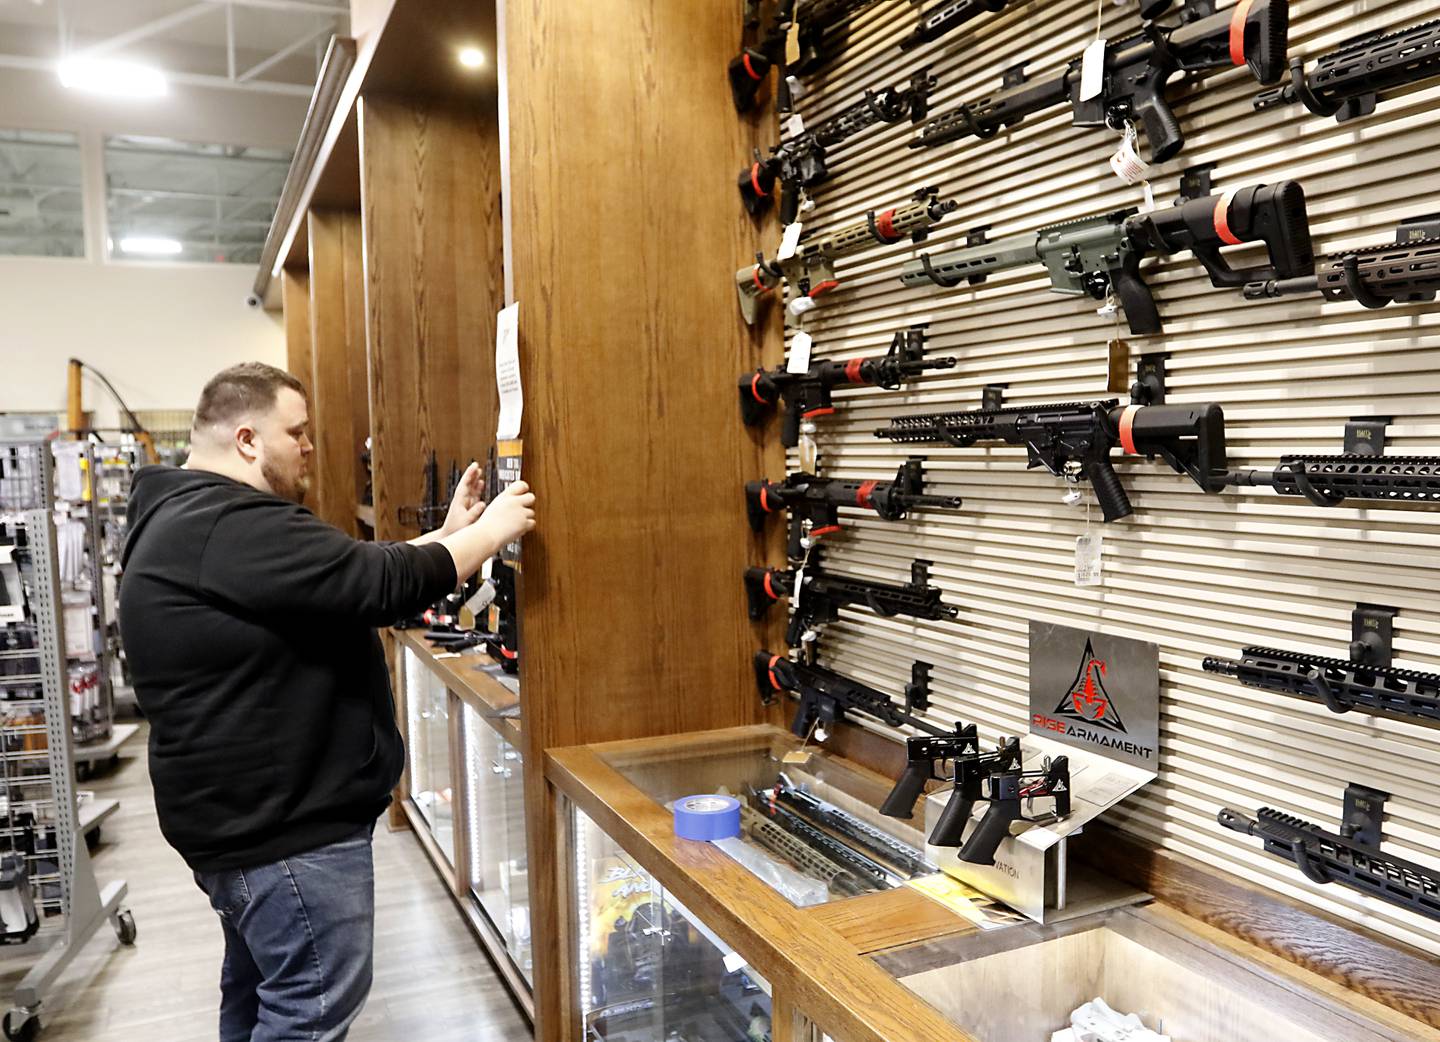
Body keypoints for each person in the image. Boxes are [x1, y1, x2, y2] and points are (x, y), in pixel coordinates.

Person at [118, 362, 535, 1042]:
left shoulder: (191, 517)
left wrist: (451, 536)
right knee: (308, 1012)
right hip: (284, 835)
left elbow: (339, 578)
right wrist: (489, 534)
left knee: (259, 998)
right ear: (248, 440)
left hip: (246, 827)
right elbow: (373, 582)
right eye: (298, 432)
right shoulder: (226, 524)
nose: (310, 447)